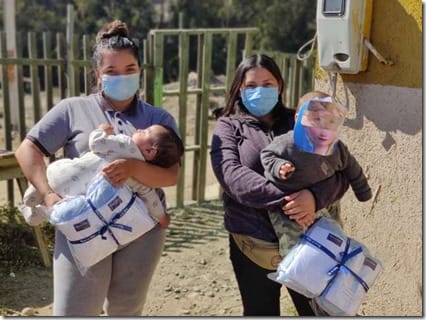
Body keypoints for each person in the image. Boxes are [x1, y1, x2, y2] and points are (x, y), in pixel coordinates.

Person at [15, 20, 181, 316]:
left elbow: (170, 175)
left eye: (130, 70)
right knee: (73, 311)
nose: (122, 77)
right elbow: (27, 149)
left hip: (142, 231)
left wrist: (132, 167)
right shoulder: (72, 109)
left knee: (125, 310)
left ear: (140, 71)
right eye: (111, 71)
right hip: (80, 226)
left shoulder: (158, 120)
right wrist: (48, 195)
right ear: (97, 74)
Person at [210, 54, 350, 316]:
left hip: (310, 240)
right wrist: (292, 198)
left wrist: (313, 197)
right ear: (239, 89)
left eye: (267, 83)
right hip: (253, 244)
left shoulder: (303, 119)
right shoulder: (227, 127)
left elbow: (341, 171)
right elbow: (232, 176)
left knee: (318, 311)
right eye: (251, 85)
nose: (259, 91)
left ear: (280, 86)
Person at [261, 91, 372, 256]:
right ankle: (296, 276)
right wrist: (279, 166)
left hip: (328, 203)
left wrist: (363, 191)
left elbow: (352, 168)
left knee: (333, 241)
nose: (323, 126)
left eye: (330, 121)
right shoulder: (286, 143)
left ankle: (331, 268)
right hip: (291, 208)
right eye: (317, 119)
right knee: (295, 251)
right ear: (298, 118)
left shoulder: (336, 148)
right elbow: (267, 155)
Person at [20, 123, 184, 229]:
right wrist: (162, 217)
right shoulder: (142, 179)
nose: (141, 129)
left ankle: (32, 198)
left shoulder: (125, 143)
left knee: (39, 190)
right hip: (70, 197)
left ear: (150, 151)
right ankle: (35, 215)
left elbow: (96, 144)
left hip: (61, 173)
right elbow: (151, 199)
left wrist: (101, 131)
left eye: (146, 131)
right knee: (50, 215)